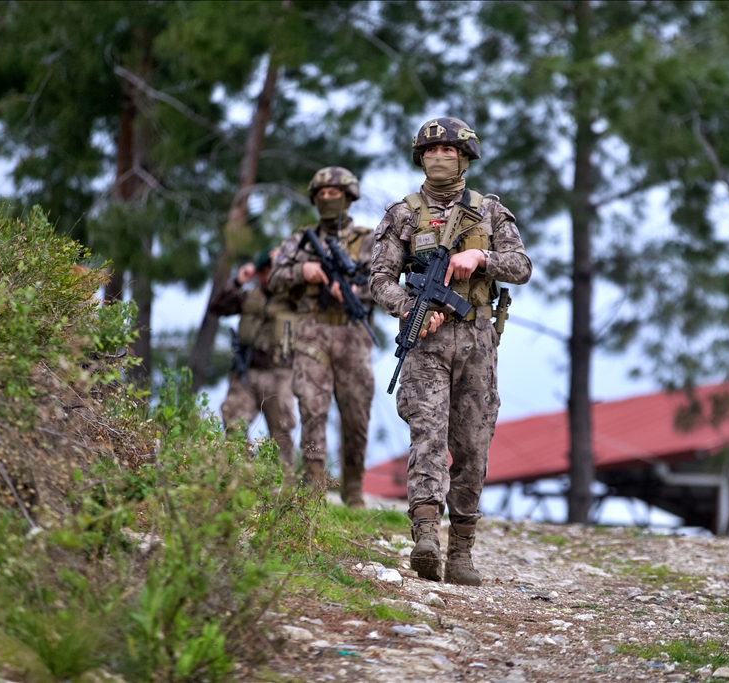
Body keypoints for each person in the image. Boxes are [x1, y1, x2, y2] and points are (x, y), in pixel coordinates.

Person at [369, 117, 531, 585]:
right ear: (420, 158)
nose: (439, 156)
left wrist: (481, 257)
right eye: (431, 150)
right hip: (426, 344)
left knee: (473, 447)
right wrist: (409, 308)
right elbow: (379, 279)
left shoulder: (489, 211)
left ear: (465, 158)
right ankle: (425, 537)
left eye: (449, 150)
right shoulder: (403, 214)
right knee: (428, 437)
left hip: (477, 340)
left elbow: (521, 266)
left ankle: (461, 551)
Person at [268, 167, 375, 506]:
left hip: (353, 334)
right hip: (312, 332)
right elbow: (274, 278)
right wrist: (304, 270)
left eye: (335, 193)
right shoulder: (300, 240)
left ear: (349, 197)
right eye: (322, 194)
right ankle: (314, 486)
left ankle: (353, 487)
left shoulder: (368, 239)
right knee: (312, 409)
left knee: (356, 414)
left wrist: (357, 291)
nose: (328, 199)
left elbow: (386, 282)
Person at [209, 248, 298, 470]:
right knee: (233, 419)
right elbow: (217, 307)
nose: (267, 276)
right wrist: (238, 281)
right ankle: (244, 473)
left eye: (272, 270)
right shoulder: (248, 296)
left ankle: (285, 483)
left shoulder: (295, 298)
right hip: (246, 374)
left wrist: (288, 264)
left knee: (281, 432)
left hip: (279, 375)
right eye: (264, 271)